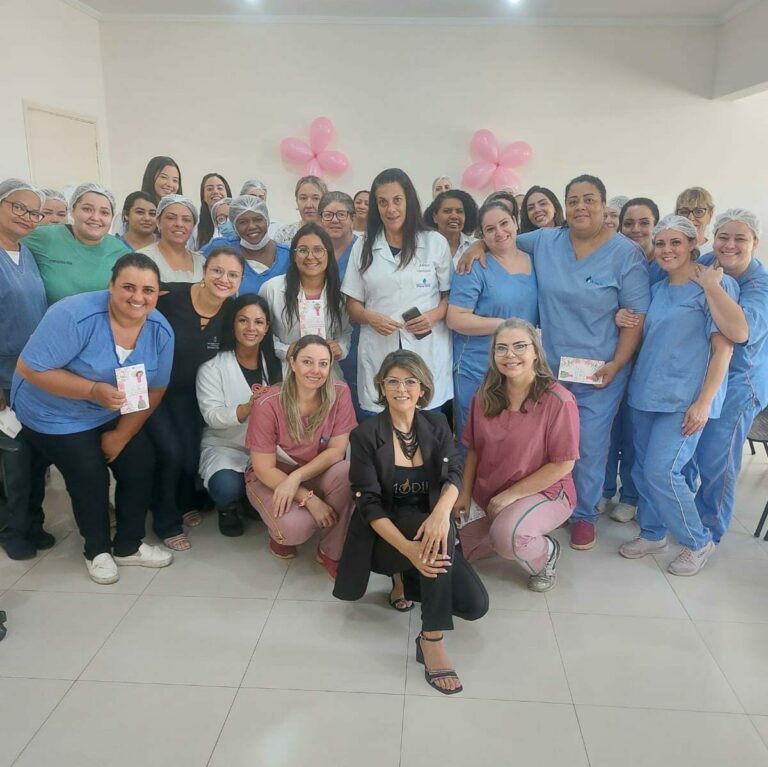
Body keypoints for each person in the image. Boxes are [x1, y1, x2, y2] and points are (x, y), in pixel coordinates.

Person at [12, 253, 175, 584]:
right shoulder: (73, 315)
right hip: (52, 411)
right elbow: (29, 368)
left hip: (108, 408)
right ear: (110, 286)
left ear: (159, 294)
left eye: (148, 290)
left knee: (140, 460)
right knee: (89, 472)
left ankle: (129, 545)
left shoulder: (159, 329)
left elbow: (154, 390)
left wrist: (122, 436)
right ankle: (97, 550)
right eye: (128, 287)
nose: (138, 298)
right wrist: (90, 390)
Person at [333, 350, 488, 695]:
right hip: (384, 537)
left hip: (428, 526)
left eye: (410, 381)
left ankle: (412, 576)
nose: (401, 389)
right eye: (393, 381)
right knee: (439, 540)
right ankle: (431, 638)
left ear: (422, 388)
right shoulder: (365, 435)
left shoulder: (436, 423)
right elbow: (368, 505)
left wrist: (440, 515)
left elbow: (455, 472)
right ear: (381, 387)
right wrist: (410, 551)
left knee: (475, 606)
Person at [619, 215, 736, 576]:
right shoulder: (656, 291)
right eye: (660, 243)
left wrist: (703, 402)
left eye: (675, 243)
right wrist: (623, 316)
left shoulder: (715, 286)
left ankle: (698, 541)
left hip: (685, 400)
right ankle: (653, 533)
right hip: (645, 394)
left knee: (663, 472)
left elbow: (724, 350)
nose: (667, 250)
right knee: (641, 469)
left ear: (691, 247)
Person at [456, 319, 579, 592]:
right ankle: (500, 528)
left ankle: (545, 554)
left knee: (509, 538)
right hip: (489, 491)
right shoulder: (484, 395)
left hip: (545, 492)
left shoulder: (558, 401)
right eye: (502, 348)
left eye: (519, 346)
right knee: (456, 548)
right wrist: (464, 494)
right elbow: (473, 448)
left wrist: (510, 496)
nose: (510, 355)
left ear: (536, 351)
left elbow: (563, 464)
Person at [148, 247, 244, 550]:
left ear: (240, 282)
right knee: (171, 454)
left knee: (190, 456)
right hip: (155, 391)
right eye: (217, 270)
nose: (223, 279)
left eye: (232, 275)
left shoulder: (231, 313)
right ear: (204, 271)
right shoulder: (169, 297)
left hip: (191, 394)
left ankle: (183, 501)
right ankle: (166, 523)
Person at [342, 168, 453, 418]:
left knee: (427, 427)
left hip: (425, 348)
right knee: (381, 431)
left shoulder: (434, 243)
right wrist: (371, 318)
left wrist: (433, 316)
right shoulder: (364, 245)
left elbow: (449, 298)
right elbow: (352, 304)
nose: (390, 209)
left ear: (409, 201)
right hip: (380, 348)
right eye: (382, 202)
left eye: (397, 200)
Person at [245, 335, 356, 578]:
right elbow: (263, 468)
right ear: (292, 363)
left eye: (323, 364)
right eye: (307, 362)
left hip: (314, 471)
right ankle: (281, 535)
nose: (315, 371)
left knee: (347, 472)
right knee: (295, 529)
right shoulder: (268, 403)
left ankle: (330, 550)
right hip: (272, 476)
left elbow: (337, 450)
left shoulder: (340, 392)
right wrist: (309, 499)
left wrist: (297, 477)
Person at [690, 209, 768, 544]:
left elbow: (738, 331)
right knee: (691, 449)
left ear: (755, 242)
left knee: (716, 460)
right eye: (724, 236)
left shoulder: (760, 286)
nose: (730, 245)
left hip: (741, 383)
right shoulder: (709, 260)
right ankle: (687, 514)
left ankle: (710, 528)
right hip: (703, 374)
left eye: (740, 238)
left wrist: (712, 286)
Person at [447, 200, 538, 445]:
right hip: (477, 369)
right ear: (482, 235)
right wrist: (506, 327)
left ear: (516, 222)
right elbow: (455, 318)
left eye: (504, 223)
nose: (499, 233)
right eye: (489, 229)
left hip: (520, 369)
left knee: (513, 441)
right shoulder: (475, 265)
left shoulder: (536, 261)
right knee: (476, 441)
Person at [196, 294, 282, 537]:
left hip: (266, 448)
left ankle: (250, 498)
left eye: (259, 322)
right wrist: (246, 408)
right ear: (232, 324)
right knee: (226, 486)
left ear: (266, 328)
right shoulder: (212, 366)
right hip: (225, 444)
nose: (251, 328)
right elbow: (211, 416)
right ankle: (228, 508)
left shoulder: (276, 364)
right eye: (243, 320)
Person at [600, 197, 662, 523]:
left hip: (649, 365)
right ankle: (605, 489)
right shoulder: (615, 259)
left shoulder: (664, 265)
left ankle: (631, 496)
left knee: (634, 435)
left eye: (644, 223)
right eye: (629, 223)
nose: (636, 230)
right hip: (615, 357)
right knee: (609, 429)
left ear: (655, 225)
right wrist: (617, 313)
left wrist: (634, 317)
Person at [0, 180, 50, 560]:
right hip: (2, 377)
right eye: (19, 208)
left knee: (33, 458)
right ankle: (12, 531)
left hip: (31, 375)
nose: (28, 218)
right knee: (12, 463)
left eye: (34, 212)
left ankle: (33, 523)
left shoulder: (26, 254)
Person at [259, 223, 351, 371]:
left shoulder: (339, 293)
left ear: (328, 254)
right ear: (294, 255)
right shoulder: (272, 289)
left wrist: (340, 347)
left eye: (318, 250)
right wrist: (285, 350)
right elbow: (261, 332)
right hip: (285, 372)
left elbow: (345, 332)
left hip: (326, 374)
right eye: (302, 250)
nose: (310, 256)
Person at [22, 182, 129, 304]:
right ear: (72, 210)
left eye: (104, 212)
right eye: (87, 209)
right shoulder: (45, 236)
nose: (95, 217)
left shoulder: (120, 251)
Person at [319, 191, 362, 416]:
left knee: (358, 400)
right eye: (328, 215)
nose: (334, 220)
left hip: (358, 338)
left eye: (341, 214)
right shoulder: (315, 251)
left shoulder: (365, 250)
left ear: (353, 218)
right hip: (323, 339)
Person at [203, 196, 290, 295]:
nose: (251, 226)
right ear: (234, 226)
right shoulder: (220, 248)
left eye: (257, 220)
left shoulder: (288, 256)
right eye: (243, 222)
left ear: (267, 220)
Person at [139, 195, 205, 284]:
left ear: (193, 226)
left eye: (186, 220)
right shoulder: (143, 258)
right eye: (171, 218)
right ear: (158, 221)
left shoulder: (201, 262)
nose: (179, 224)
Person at [424, 190, 478, 267]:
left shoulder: (475, 245)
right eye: (447, 211)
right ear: (435, 217)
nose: (454, 216)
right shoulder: (424, 246)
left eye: (459, 211)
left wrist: (481, 245)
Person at [273, 176, 328, 245]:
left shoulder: (333, 233)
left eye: (315, 198)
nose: (309, 205)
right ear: (296, 201)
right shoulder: (283, 235)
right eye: (303, 198)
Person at [197, 173, 232, 249]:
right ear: (203, 197)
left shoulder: (238, 221)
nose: (215, 192)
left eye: (220, 188)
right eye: (209, 189)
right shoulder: (195, 228)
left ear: (227, 193)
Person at [676, 186, 715, 252]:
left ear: (710, 216)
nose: (690, 218)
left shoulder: (716, 253)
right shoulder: (669, 251)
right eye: (684, 212)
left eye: (698, 211)